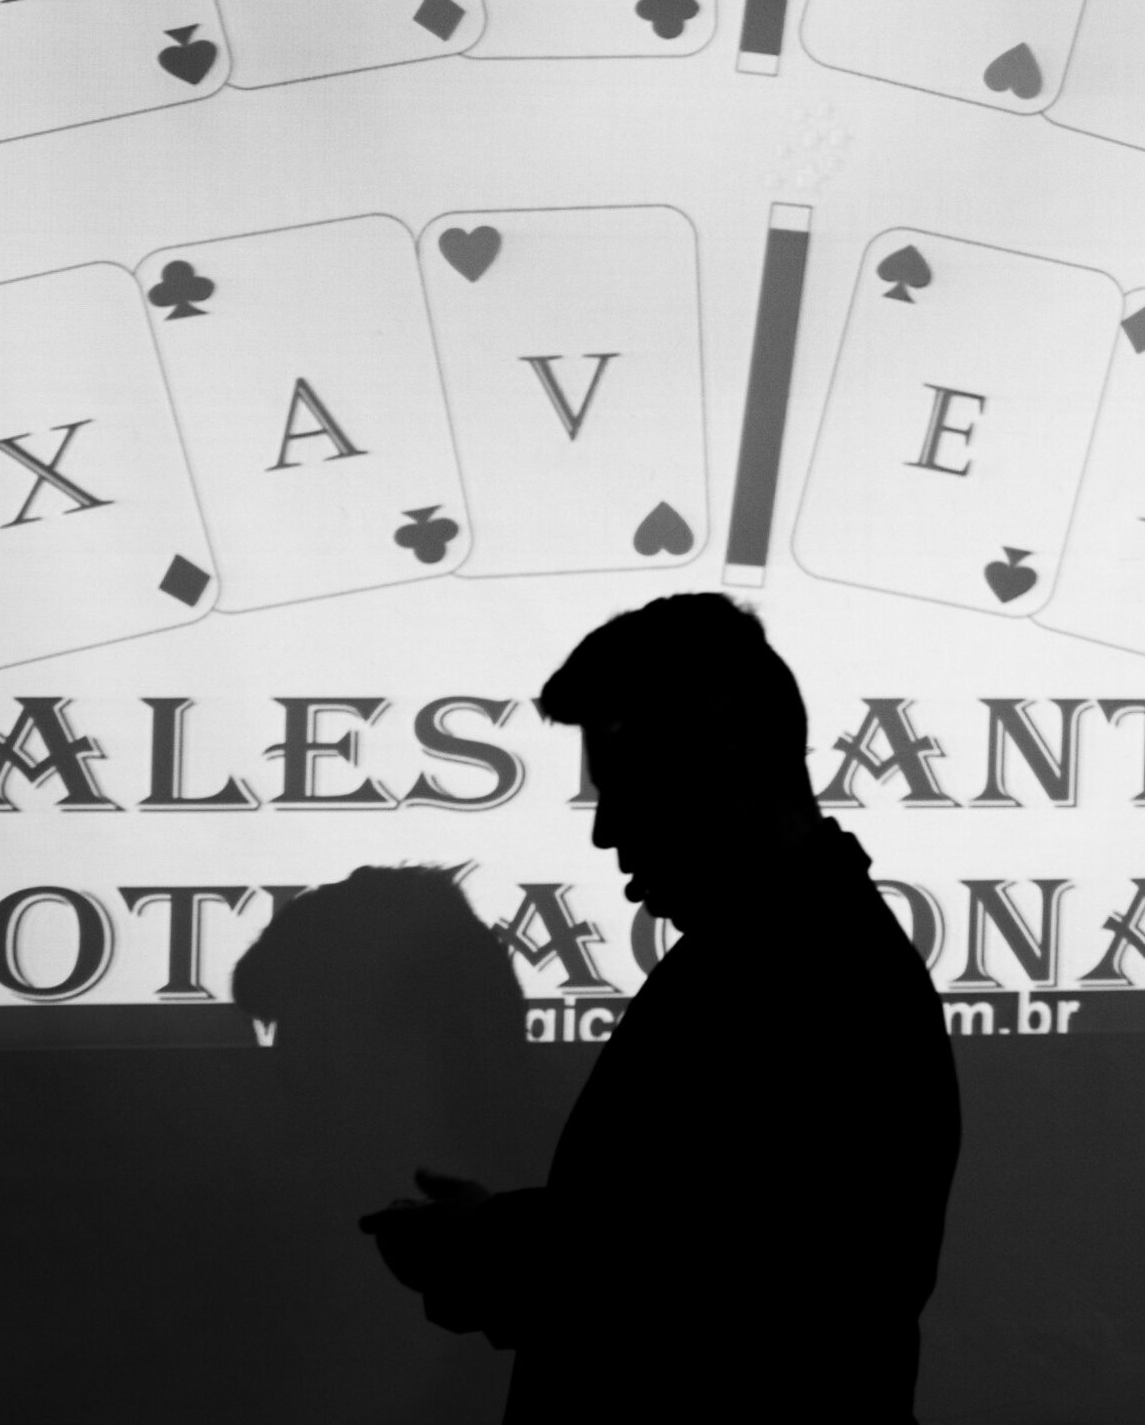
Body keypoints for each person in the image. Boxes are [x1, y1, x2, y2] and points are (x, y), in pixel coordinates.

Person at [360, 594, 962, 1423]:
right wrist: (493, 1236)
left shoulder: (810, 970)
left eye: (629, 788)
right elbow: (694, 1236)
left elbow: (727, 1286)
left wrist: (489, 1244)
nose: (605, 831)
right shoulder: (782, 948)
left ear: (733, 762)